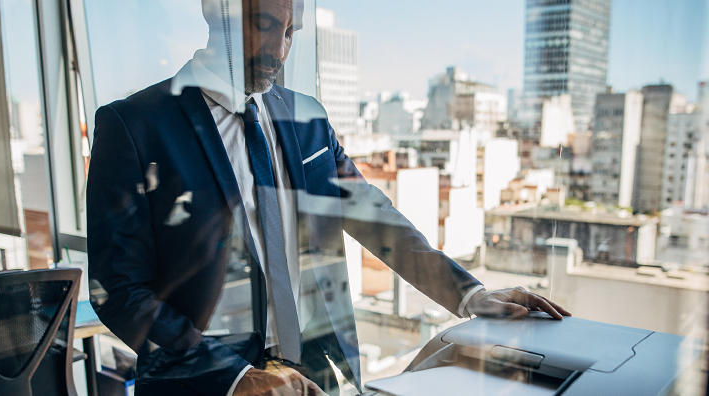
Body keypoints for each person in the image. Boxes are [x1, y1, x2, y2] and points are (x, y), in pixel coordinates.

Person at [86, 0, 571, 395]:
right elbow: (119, 291)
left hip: (313, 375)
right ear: (215, 11)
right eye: (264, 25)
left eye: (291, 31)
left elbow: (373, 216)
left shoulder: (307, 118)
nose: (279, 49)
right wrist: (234, 379)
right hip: (205, 383)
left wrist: (471, 295)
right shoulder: (134, 126)